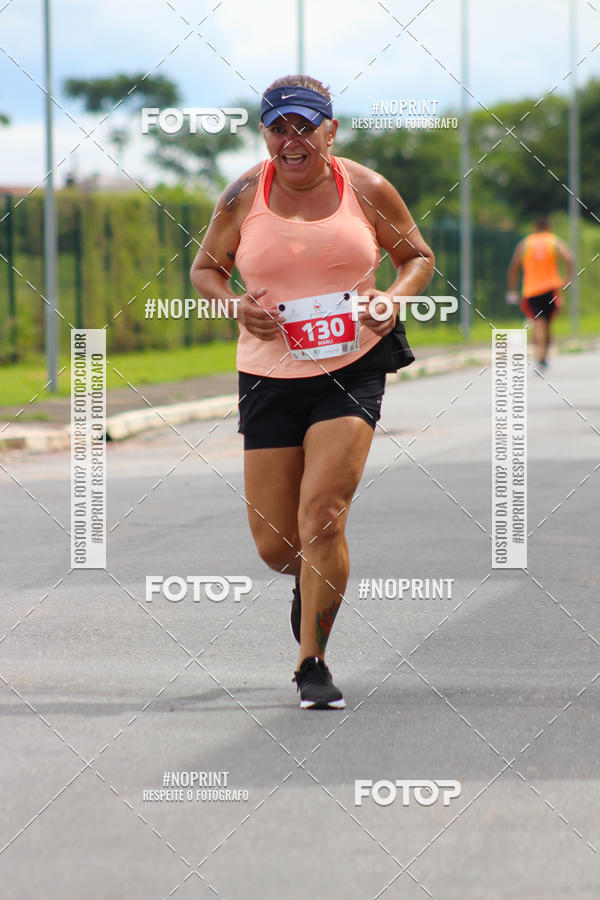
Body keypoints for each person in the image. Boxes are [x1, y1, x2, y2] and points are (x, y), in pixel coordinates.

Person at [190, 75, 434, 709]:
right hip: (269, 374)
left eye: (304, 125)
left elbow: (416, 255)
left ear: (331, 129)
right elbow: (205, 269)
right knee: (276, 544)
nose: (291, 139)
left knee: (322, 513)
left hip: (352, 365)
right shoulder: (245, 192)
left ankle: (312, 662)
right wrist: (234, 305)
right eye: (278, 127)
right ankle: (312, 584)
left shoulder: (369, 188)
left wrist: (392, 298)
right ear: (265, 133)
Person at [507, 215, 574, 369]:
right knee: (547, 323)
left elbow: (514, 267)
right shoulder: (553, 241)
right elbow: (569, 258)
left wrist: (512, 290)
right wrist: (568, 279)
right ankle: (543, 355)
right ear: (548, 227)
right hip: (551, 289)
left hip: (531, 290)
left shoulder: (525, 243)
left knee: (538, 322)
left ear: (534, 228)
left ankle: (540, 355)